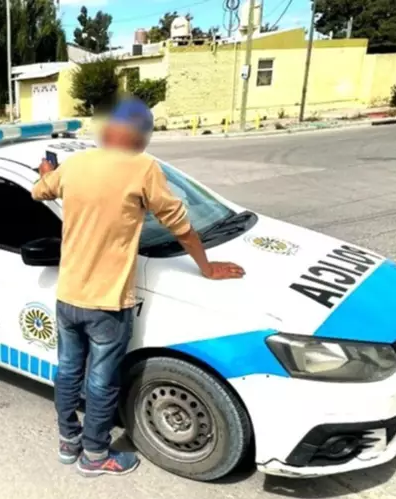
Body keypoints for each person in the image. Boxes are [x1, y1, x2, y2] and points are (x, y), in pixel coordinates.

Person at [32, 98, 246, 477]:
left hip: (68, 297)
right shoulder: (142, 168)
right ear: (137, 135)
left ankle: (68, 442)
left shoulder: (75, 165)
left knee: (67, 372)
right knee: (101, 381)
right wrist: (207, 267)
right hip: (107, 303)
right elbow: (179, 224)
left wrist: (47, 173)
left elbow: (39, 191)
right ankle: (95, 455)